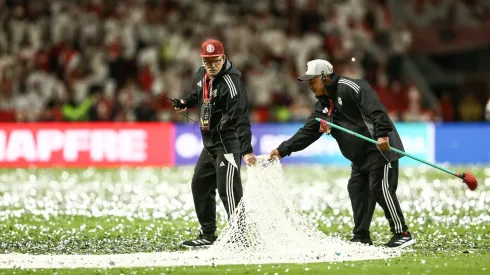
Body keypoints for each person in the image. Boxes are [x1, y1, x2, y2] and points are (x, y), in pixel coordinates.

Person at [269, 59, 415, 248]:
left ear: (325, 77)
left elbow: (376, 108)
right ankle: (361, 236)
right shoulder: (322, 105)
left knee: (380, 188)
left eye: (312, 81)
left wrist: (383, 134)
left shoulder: (350, 87)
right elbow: (308, 132)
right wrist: (283, 150)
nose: (310, 86)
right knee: (356, 189)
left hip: (380, 150)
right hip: (359, 158)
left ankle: (402, 233)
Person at [173, 39, 256, 248]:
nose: (211, 65)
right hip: (209, 144)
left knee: (228, 190)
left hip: (228, 144)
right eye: (207, 61)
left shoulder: (232, 83)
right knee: (199, 185)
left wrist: (246, 150)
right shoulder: (201, 75)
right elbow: (199, 94)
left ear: (223, 58)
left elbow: (241, 118)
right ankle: (208, 234)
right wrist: (185, 102)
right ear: (202, 60)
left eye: (215, 61)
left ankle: (239, 237)